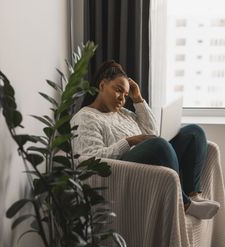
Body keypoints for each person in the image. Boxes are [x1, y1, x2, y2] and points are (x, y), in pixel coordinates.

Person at [71, 60, 220, 220]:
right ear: (101, 86)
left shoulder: (123, 113)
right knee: (159, 145)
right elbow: (90, 161)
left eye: (126, 95)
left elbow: (151, 132)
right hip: (124, 169)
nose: (122, 98)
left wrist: (137, 98)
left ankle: (193, 195)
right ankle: (184, 204)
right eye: (118, 90)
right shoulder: (85, 117)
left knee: (194, 133)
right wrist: (130, 141)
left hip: (146, 161)